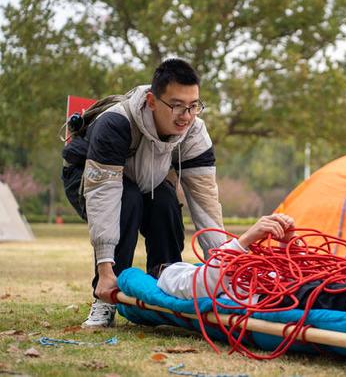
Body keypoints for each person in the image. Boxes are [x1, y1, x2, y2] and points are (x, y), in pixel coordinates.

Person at [61, 58, 226, 328]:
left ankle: (168, 287)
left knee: (166, 204)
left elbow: (206, 204)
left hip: (150, 177)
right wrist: (105, 270)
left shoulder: (195, 131)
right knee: (128, 200)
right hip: (89, 177)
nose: (185, 115)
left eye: (193, 106)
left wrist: (224, 269)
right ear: (151, 100)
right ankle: (105, 298)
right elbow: (104, 198)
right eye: (176, 105)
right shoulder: (115, 123)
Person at [156, 214, 346, 323]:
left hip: (303, 282)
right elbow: (204, 285)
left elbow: (298, 268)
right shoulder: (171, 276)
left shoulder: (217, 260)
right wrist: (245, 240)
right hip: (281, 295)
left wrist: (290, 244)